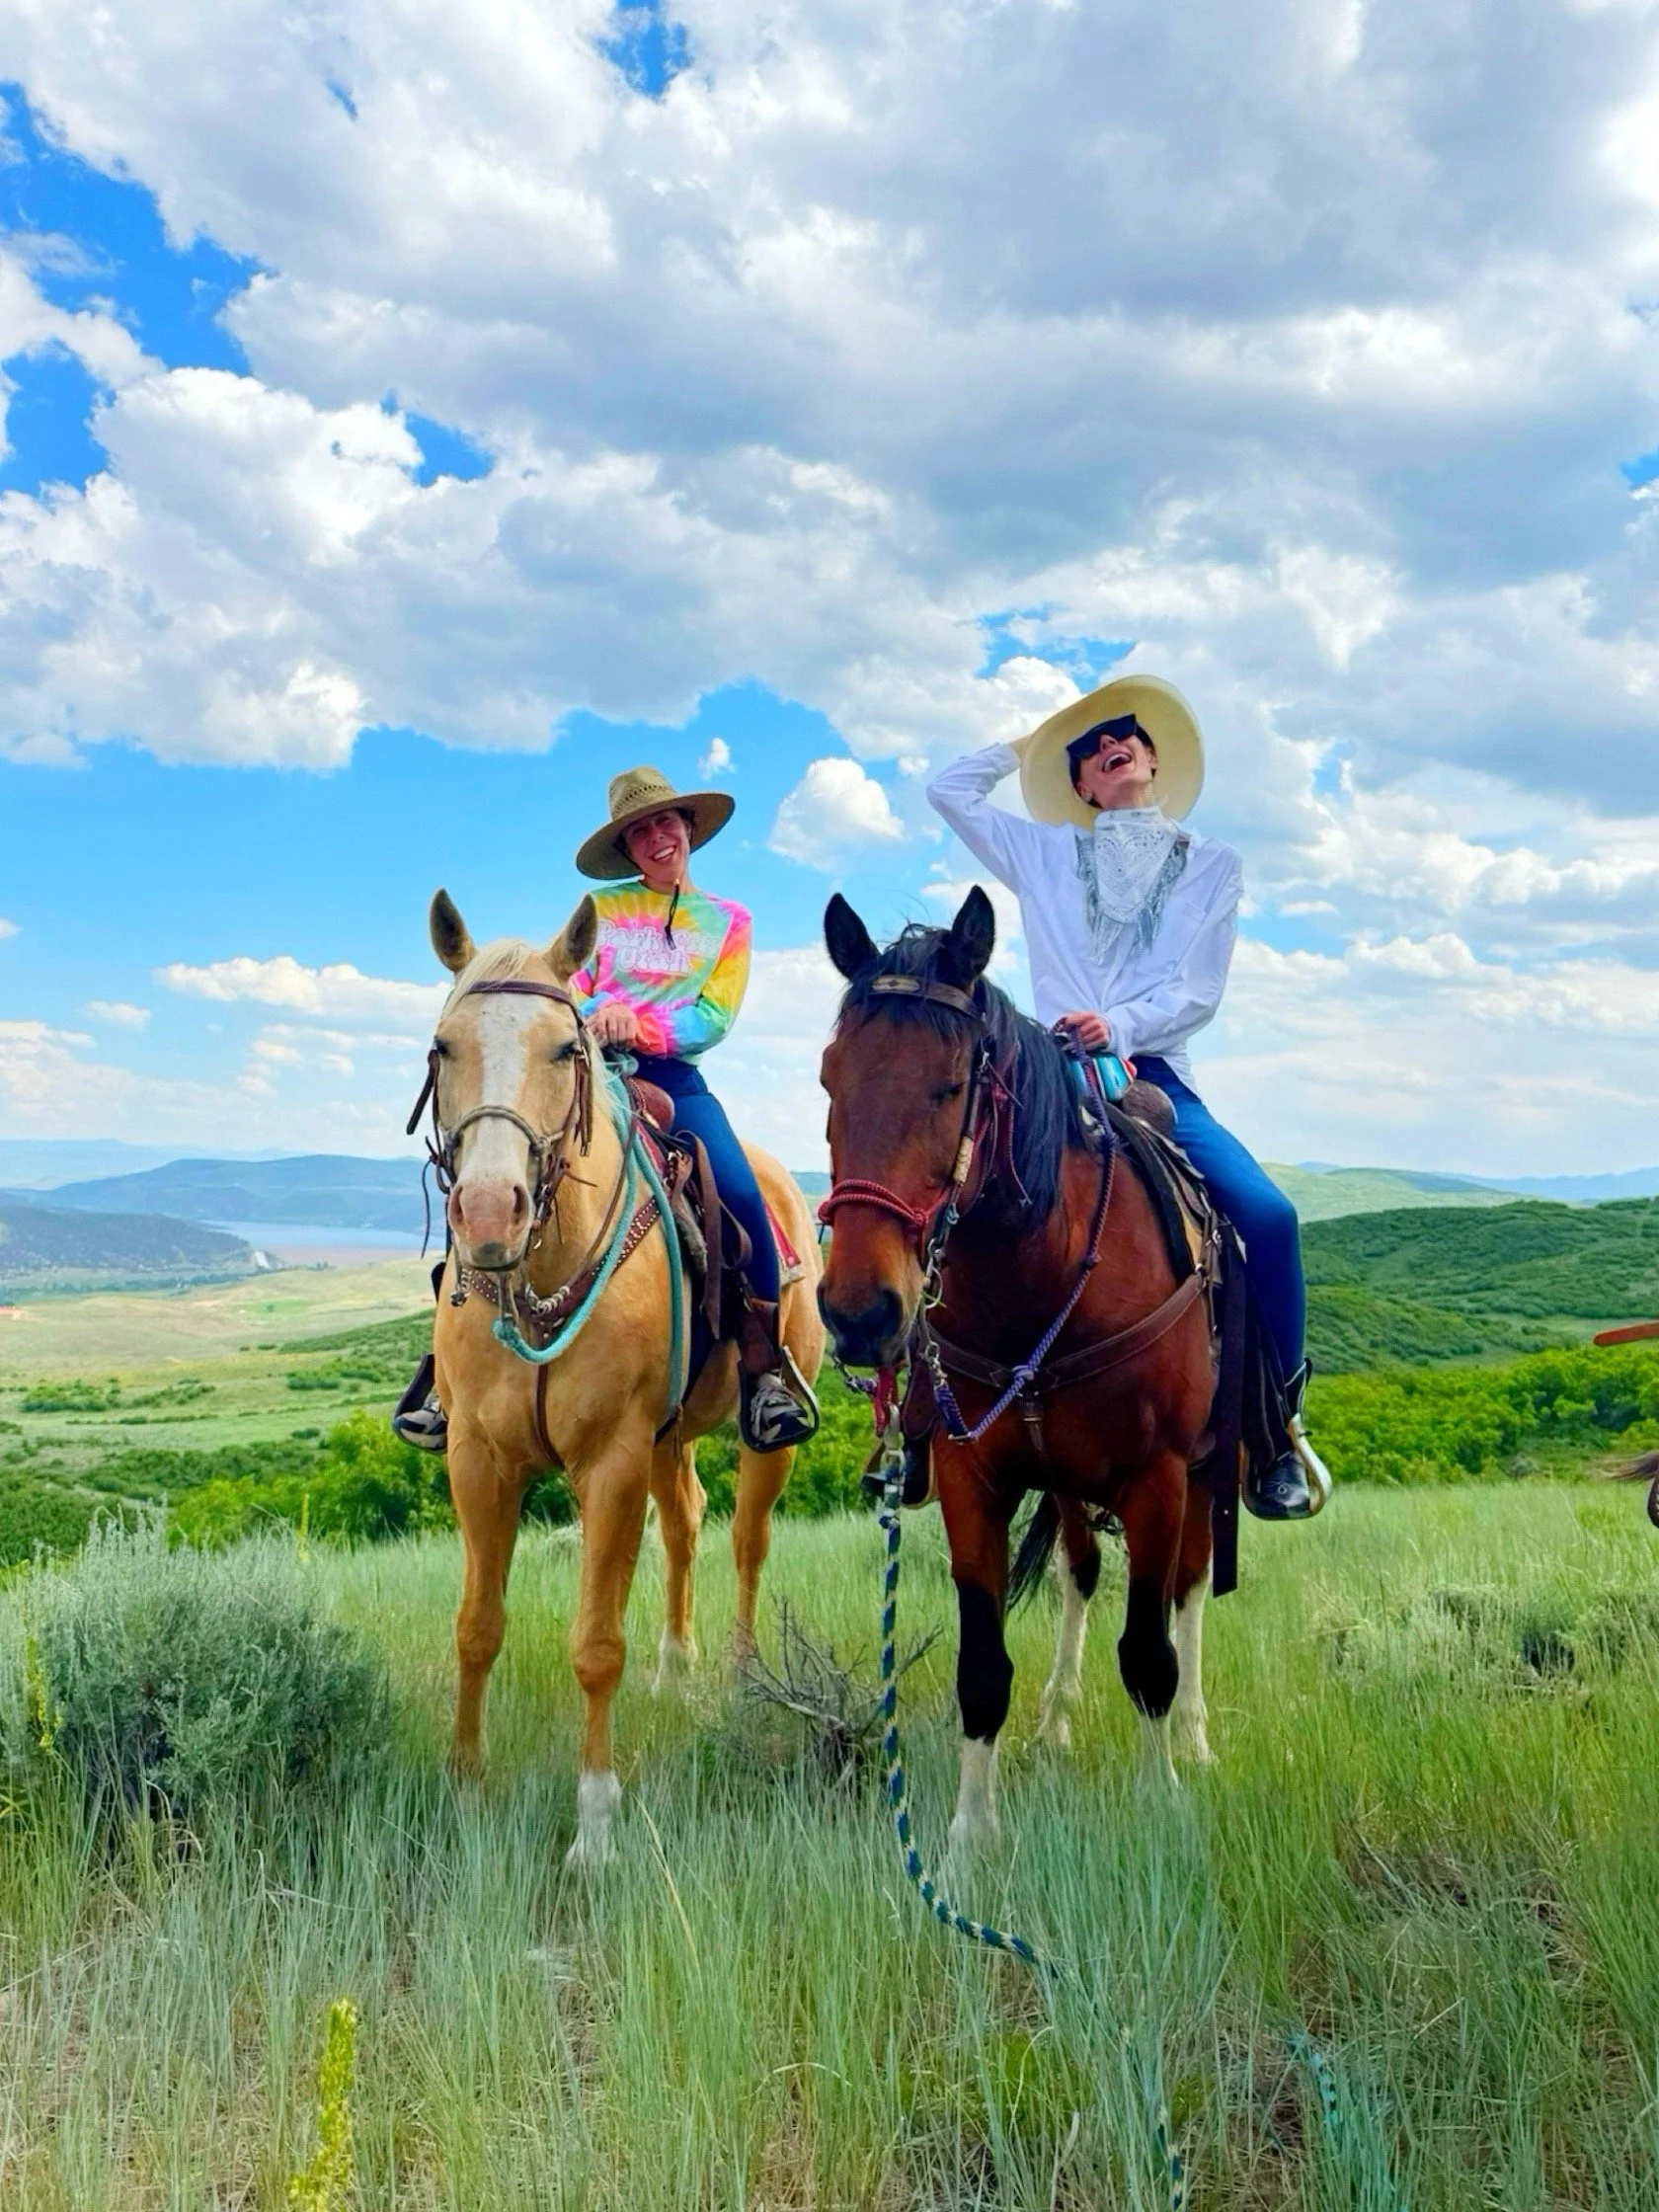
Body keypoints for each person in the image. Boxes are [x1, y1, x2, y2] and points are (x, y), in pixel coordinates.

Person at [926, 674, 1327, 1518]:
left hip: (1155, 1071)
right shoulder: (1042, 850)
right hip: (1044, 1073)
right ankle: (915, 1418)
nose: (1112, 746)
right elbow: (946, 790)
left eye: (1128, 738)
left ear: (1151, 760)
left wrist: (1121, 1024)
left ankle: (1278, 1428)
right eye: (1089, 750)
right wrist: (1027, 741)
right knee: (936, 1195)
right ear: (1080, 784)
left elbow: (1201, 989)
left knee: (1269, 1216)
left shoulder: (1214, 863)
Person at [394, 764, 819, 1458]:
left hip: (674, 1077)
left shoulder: (730, 922)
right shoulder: (601, 911)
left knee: (741, 1192)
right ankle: (451, 1375)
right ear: (627, 847)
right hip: (585, 1070)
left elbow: (715, 1015)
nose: (657, 837)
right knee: (498, 1172)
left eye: (666, 824)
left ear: (689, 831)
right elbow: (561, 990)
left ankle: (764, 1370)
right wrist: (600, 1014)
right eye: (640, 830)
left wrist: (642, 1027)